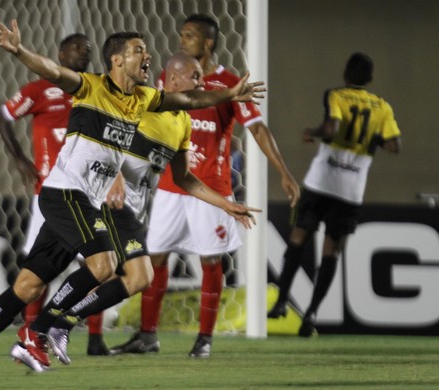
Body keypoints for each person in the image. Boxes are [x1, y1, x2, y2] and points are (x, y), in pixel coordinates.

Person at [0, 18, 263, 390]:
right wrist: (19, 51)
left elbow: (190, 101)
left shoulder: (145, 99)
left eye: (146, 49)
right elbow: (54, 70)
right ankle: (42, 330)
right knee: (104, 264)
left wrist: (229, 96)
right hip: (65, 193)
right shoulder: (91, 86)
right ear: (116, 60)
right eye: (137, 50)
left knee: (28, 287)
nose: (147, 56)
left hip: (85, 202)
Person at [43, 53, 259, 366]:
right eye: (195, 76)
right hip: (106, 201)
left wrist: (227, 203)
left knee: (134, 277)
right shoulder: (144, 106)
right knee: (107, 271)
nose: (201, 82)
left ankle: (58, 324)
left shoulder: (181, 121)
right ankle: (56, 327)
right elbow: (106, 136)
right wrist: (115, 175)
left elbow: (185, 178)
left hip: (133, 212)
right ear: (173, 80)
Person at [110, 13, 300, 358]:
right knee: (155, 258)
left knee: (211, 261)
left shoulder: (229, 83)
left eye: (190, 36)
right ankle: (147, 335)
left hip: (210, 188)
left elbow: (256, 127)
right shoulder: (172, 75)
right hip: (171, 186)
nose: (182, 41)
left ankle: (205, 339)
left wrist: (283, 172)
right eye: (182, 35)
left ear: (208, 43)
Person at [267, 52, 401, 337]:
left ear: (345, 74)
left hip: (320, 183)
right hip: (350, 190)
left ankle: (280, 302)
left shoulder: (336, 94)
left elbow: (332, 127)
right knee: (331, 252)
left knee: (298, 239)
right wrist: (371, 138)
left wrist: (313, 131)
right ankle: (312, 313)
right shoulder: (383, 107)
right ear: (370, 79)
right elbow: (394, 145)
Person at [0, 32, 109, 356]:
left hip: (88, 193)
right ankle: (31, 334)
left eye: (87, 50)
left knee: (99, 266)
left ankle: (95, 337)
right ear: (60, 54)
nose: (83, 54)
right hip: (52, 192)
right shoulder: (39, 90)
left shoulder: (95, 89)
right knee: (39, 271)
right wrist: (20, 159)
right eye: (76, 49)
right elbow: (3, 117)